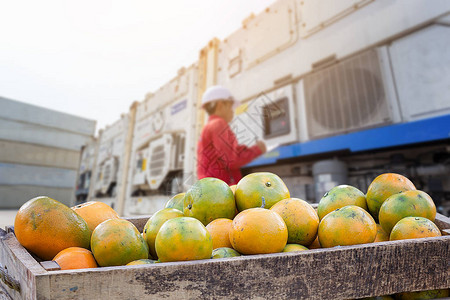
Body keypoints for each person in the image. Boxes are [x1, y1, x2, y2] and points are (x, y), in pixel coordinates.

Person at [197, 86, 266, 185]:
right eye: (230, 106)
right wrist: (257, 150)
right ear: (220, 105)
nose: (232, 111)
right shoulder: (218, 124)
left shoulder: (209, 126)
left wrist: (246, 149)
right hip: (221, 188)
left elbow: (227, 152)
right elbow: (231, 160)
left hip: (211, 186)